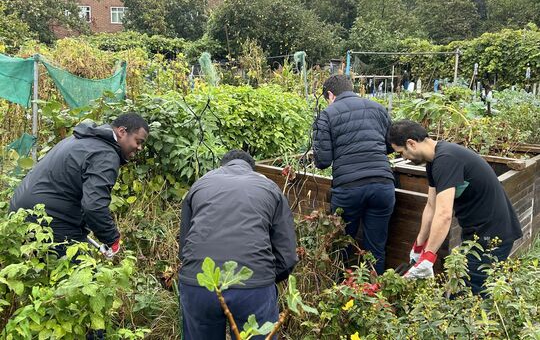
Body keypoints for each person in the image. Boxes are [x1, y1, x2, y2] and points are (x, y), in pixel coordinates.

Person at [387, 120, 523, 295]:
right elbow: (431, 206)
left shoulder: (446, 159)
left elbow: (444, 214)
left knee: (468, 294)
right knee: (463, 288)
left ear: (411, 143)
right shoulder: (434, 161)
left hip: (493, 235)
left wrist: (429, 257)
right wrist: (419, 247)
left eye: (401, 152)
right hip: (476, 232)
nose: (403, 158)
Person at [178, 149, 298, 340]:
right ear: (252, 168)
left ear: (222, 166)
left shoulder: (199, 185)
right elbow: (287, 257)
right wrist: (261, 279)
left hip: (199, 282)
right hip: (254, 287)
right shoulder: (269, 187)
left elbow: (184, 249)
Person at [10, 112, 149, 257]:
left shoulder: (81, 139)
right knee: (83, 274)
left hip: (19, 213)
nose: (139, 148)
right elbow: (94, 206)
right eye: (138, 141)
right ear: (122, 132)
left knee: (39, 271)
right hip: (48, 218)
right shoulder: (105, 154)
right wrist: (112, 239)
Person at [312, 74, 395, 275]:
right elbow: (390, 145)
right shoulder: (378, 108)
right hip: (383, 186)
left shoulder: (327, 114)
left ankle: (342, 296)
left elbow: (323, 161)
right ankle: (374, 299)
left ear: (330, 95)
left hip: (348, 188)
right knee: (375, 249)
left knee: (341, 247)